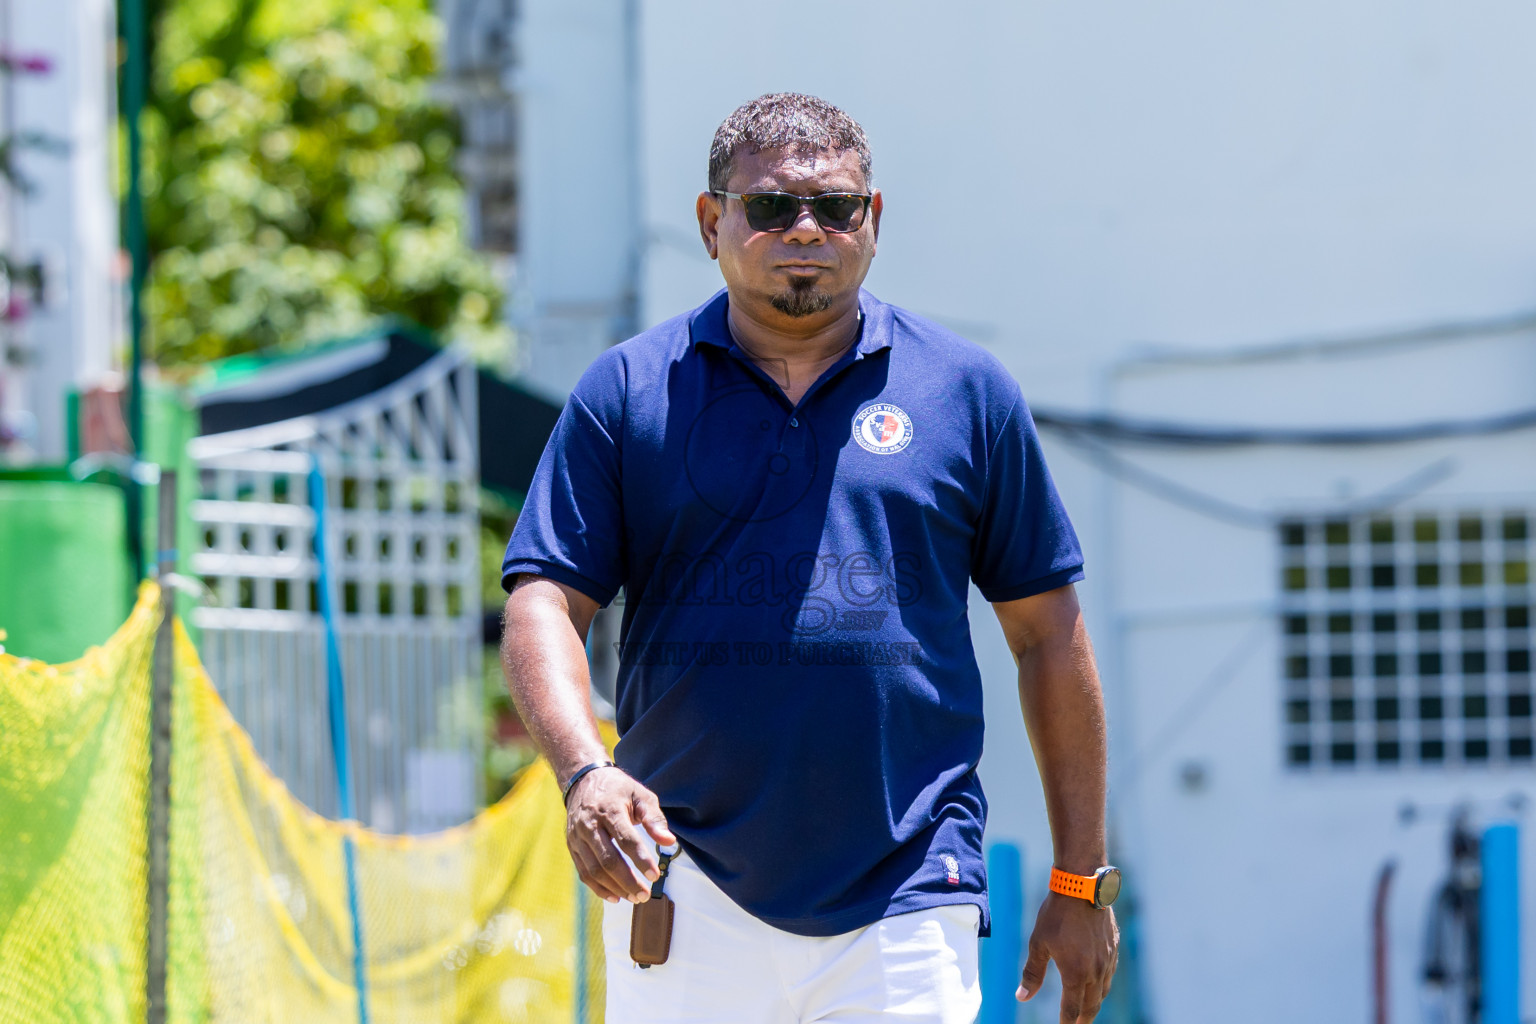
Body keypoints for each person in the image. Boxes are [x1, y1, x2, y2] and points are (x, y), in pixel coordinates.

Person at [500, 92, 1119, 1024]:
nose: (805, 230)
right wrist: (586, 775)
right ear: (713, 222)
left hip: (910, 883)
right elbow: (544, 600)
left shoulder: (967, 392)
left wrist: (1080, 880)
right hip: (681, 879)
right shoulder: (628, 392)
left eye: (834, 208)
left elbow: (1049, 632)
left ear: (873, 222)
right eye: (771, 206)